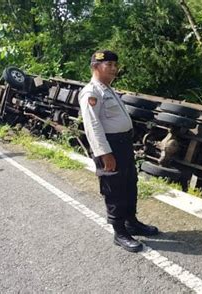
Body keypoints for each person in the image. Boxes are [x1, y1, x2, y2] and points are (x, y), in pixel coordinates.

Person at [79, 50, 159, 253]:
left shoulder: (108, 89)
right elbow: (93, 126)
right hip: (109, 146)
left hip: (123, 145)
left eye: (115, 65)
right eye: (109, 65)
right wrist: (105, 154)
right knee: (114, 188)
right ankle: (119, 232)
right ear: (95, 67)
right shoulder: (91, 92)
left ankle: (132, 222)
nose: (114, 69)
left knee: (130, 183)